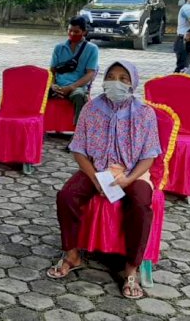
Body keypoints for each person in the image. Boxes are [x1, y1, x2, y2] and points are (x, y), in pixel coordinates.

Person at [48, 61, 161, 300]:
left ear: (133, 82)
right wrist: (96, 180)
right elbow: (78, 149)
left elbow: (149, 156)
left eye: (123, 78)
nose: (116, 82)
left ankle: (131, 268)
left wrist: (128, 180)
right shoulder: (91, 108)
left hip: (132, 171)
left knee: (141, 204)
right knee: (66, 196)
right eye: (111, 76)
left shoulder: (144, 113)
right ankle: (72, 254)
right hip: (96, 169)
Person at [49, 16, 100, 125]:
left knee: (79, 96)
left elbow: (91, 73)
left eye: (76, 32)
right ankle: (40, 126)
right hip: (58, 86)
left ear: (84, 32)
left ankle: (78, 131)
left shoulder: (92, 49)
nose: (72, 34)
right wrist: (52, 85)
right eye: (70, 31)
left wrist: (71, 87)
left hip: (77, 87)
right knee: (39, 94)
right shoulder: (59, 48)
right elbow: (51, 71)